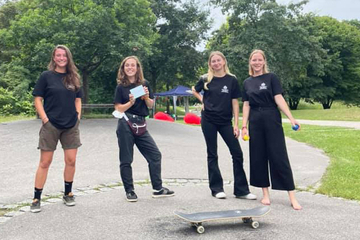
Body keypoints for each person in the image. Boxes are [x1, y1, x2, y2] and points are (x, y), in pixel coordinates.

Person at [241, 49, 302, 210]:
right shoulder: (247, 82)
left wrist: (291, 117)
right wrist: (244, 126)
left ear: (264, 61)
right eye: (254, 60)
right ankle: (265, 195)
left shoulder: (271, 78)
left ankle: (292, 196)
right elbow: (246, 105)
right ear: (250, 62)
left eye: (259, 60)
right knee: (258, 156)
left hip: (271, 116)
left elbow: (278, 98)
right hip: (255, 119)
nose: (257, 63)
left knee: (279, 155)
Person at [192, 51, 256, 200]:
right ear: (210, 64)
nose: (216, 63)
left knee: (237, 153)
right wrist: (203, 102)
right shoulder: (205, 79)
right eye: (213, 61)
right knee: (212, 154)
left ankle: (241, 190)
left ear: (223, 62)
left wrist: (236, 124)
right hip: (208, 120)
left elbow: (235, 102)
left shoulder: (232, 80)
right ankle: (216, 188)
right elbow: (194, 90)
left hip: (225, 122)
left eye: (218, 60)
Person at [114, 56, 174, 202]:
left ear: (137, 68)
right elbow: (118, 108)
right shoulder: (121, 87)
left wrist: (146, 97)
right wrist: (130, 102)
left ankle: (157, 188)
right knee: (126, 159)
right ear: (123, 68)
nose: (130, 68)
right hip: (125, 123)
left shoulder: (144, 84)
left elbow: (150, 105)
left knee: (155, 155)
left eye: (132, 65)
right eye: (127, 65)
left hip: (141, 124)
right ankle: (130, 191)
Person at [31, 45, 82, 213]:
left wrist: (78, 117)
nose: (61, 58)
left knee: (71, 160)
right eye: (58, 55)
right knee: (45, 162)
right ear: (54, 58)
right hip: (51, 125)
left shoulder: (74, 77)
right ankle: (37, 197)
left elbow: (77, 99)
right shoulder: (46, 76)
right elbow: (38, 99)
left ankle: (68, 193)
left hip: (70, 125)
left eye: (64, 55)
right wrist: (45, 119)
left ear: (68, 57)